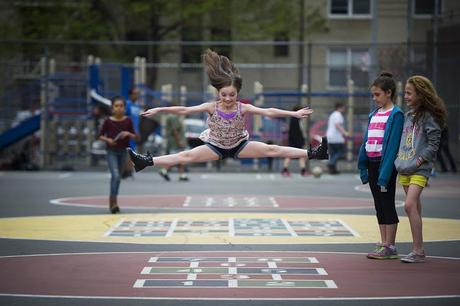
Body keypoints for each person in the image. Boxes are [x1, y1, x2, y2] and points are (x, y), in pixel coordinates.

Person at [127, 49, 328, 173]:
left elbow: (269, 111)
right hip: (215, 146)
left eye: (232, 95)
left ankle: (314, 154)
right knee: (185, 156)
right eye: (224, 95)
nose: (228, 99)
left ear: (237, 92)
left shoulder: (243, 108)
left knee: (272, 150)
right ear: (218, 93)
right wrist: (159, 109)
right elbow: (184, 110)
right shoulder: (211, 107)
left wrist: (293, 114)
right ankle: (146, 161)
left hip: (239, 145)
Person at [395, 75, 447, 263]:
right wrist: (399, 160)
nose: (406, 96)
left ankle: (418, 251)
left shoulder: (429, 116)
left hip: (418, 168)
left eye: (409, 93)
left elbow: (433, 143)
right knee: (414, 208)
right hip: (405, 166)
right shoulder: (409, 116)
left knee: (409, 205)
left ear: (420, 94)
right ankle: (418, 248)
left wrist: (419, 161)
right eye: (405, 93)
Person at [358, 72, 404, 260]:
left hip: (385, 166)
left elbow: (392, 146)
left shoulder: (396, 115)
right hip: (372, 164)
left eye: (377, 94)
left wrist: (385, 171)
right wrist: (363, 164)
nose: (374, 98)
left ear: (389, 93)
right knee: (378, 205)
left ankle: (390, 245)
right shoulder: (374, 114)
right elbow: (366, 141)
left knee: (387, 204)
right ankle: (384, 242)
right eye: (373, 94)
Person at [99, 96, 139, 213]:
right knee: (115, 175)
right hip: (111, 151)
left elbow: (136, 136)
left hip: (123, 152)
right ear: (112, 108)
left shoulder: (128, 121)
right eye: (116, 106)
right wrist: (108, 140)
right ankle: (113, 202)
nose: (119, 108)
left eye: (121, 106)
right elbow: (100, 135)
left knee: (118, 178)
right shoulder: (108, 121)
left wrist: (128, 133)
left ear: (125, 108)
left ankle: (114, 201)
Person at [159, 111, 189, 182]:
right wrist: (179, 141)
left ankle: (182, 174)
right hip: (175, 142)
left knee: (180, 158)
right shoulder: (173, 117)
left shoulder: (170, 117)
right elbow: (175, 130)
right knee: (177, 158)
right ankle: (164, 170)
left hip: (173, 141)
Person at [281, 105, 307, 177]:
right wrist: (300, 141)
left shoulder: (297, 119)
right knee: (291, 155)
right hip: (295, 141)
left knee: (301, 155)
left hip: (296, 141)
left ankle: (303, 170)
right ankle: (285, 170)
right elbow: (295, 132)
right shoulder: (294, 119)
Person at [326, 102, 349, 174]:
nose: (344, 109)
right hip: (336, 137)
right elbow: (337, 125)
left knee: (333, 153)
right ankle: (331, 163)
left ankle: (333, 170)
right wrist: (345, 132)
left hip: (330, 136)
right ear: (339, 107)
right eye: (343, 107)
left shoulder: (333, 114)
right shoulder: (338, 114)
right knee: (341, 151)